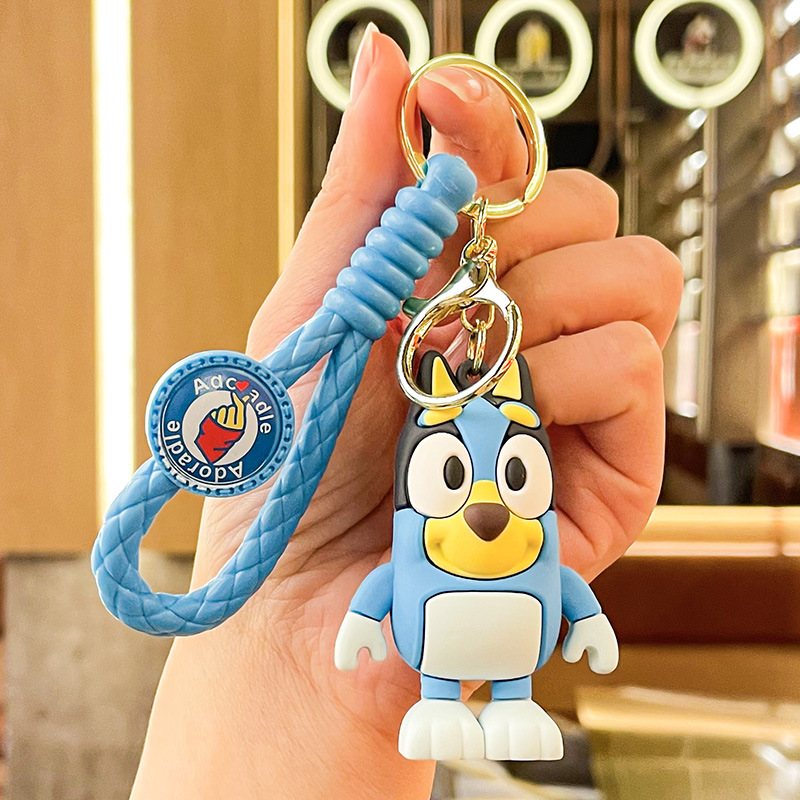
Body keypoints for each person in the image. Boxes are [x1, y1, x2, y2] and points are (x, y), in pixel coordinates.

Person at [130, 28, 682, 800]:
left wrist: (583, 621)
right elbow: (373, 597)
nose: (486, 505)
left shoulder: (513, 534)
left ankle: (508, 703)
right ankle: (446, 701)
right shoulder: (401, 532)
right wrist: (291, 649)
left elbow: (552, 591)